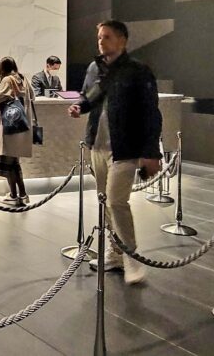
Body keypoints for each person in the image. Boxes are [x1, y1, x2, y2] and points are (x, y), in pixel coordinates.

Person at [69, 20, 162, 285]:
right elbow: (89, 97)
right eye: (99, 36)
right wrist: (79, 107)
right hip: (97, 145)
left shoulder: (138, 71)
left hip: (125, 148)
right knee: (105, 202)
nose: (101, 41)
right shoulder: (94, 68)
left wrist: (151, 152)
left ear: (122, 40)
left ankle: (133, 259)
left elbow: (151, 114)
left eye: (107, 37)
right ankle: (115, 253)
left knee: (116, 202)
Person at [0, 57, 34, 206]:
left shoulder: (7, 80)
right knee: (14, 162)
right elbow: (32, 96)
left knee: (8, 163)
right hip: (22, 127)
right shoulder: (23, 79)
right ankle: (23, 194)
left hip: (10, 127)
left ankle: (14, 195)